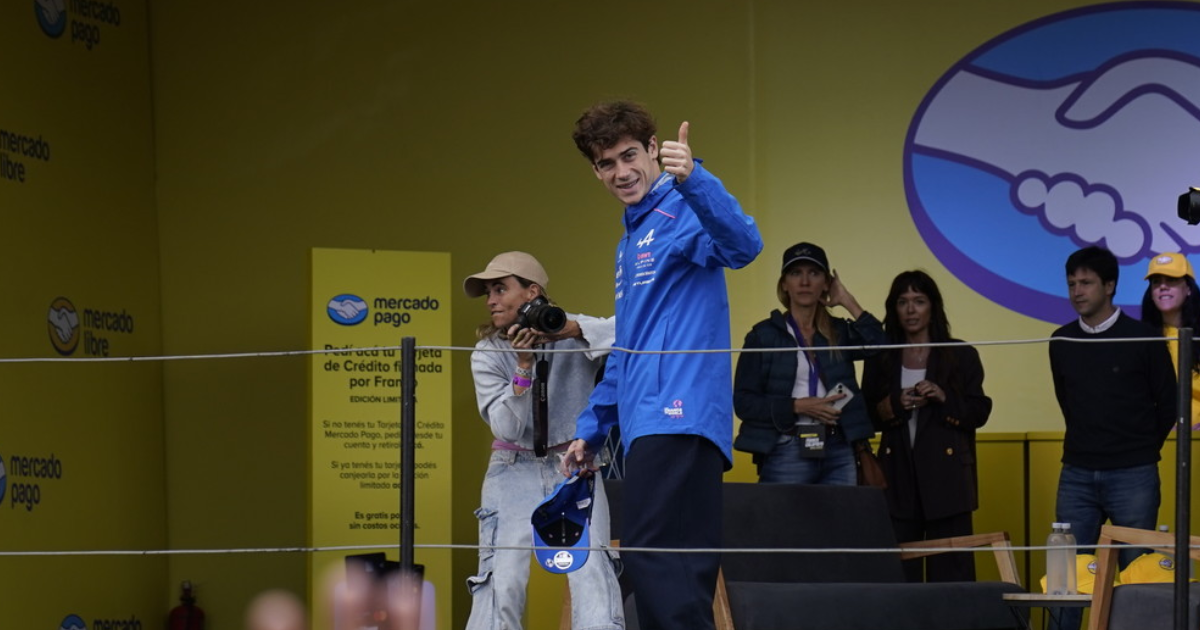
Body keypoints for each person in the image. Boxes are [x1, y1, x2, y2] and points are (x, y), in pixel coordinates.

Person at [563, 100, 763, 630]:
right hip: (647, 420)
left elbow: (744, 246)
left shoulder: (683, 206)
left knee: (657, 560)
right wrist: (591, 428)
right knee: (673, 571)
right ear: (595, 171)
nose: (621, 172)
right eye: (607, 164)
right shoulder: (629, 240)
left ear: (654, 149)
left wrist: (695, 177)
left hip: (681, 414)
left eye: (630, 155)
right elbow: (629, 345)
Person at [463, 251, 623, 630]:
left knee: (593, 574)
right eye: (488, 292)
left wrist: (571, 329)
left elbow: (632, 333)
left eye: (501, 289)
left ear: (532, 291)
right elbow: (506, 428)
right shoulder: (487, 352)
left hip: (574, 467)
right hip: (511, 467)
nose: (491, 301)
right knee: (501, 581)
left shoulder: (571, 332)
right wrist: (523, 368)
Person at [1049, 246, 1176, 630]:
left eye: (1085, 282)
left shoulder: (1145, 337)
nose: (1077, 291)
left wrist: (1137, 451)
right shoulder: (1061, 341)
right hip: (1076, 472)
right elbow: (1067, 402)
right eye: (1071, 283)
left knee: (1138, 574)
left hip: (1133, 473)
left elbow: (1168, 405)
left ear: (1110, 286)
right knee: (1066, 577)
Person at [861, 270, 992, 582]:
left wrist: (943, 396)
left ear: (933, 306)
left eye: (918, 301)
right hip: (896, 481)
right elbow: (865, 414)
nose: (910, 310)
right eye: (903, 302)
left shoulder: (961, 354)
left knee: (951, 579)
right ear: (893, 308)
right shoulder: (881, 357)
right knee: (897, 578)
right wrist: (894, 404)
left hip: (948, 484)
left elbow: (979, 410)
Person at [733, 242, 885, 485]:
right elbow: (744, 402)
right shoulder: (763, 335)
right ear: (784, 284)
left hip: (839, 446)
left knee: (839, 523)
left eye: (814, 274)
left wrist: (846, 299)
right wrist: (797, 406)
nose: (804, 282)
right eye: (796, 274)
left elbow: (880, 345)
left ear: (826, 283)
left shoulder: (838, 331)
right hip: (786, 446)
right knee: (787, 523)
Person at [1140, 251, 1200, 429]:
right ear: (1151, 292)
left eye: (1172, 280)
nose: (1163, 287)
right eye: (1156, 282)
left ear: (1188, 288)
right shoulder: (1139, 339)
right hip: (1154, 440)